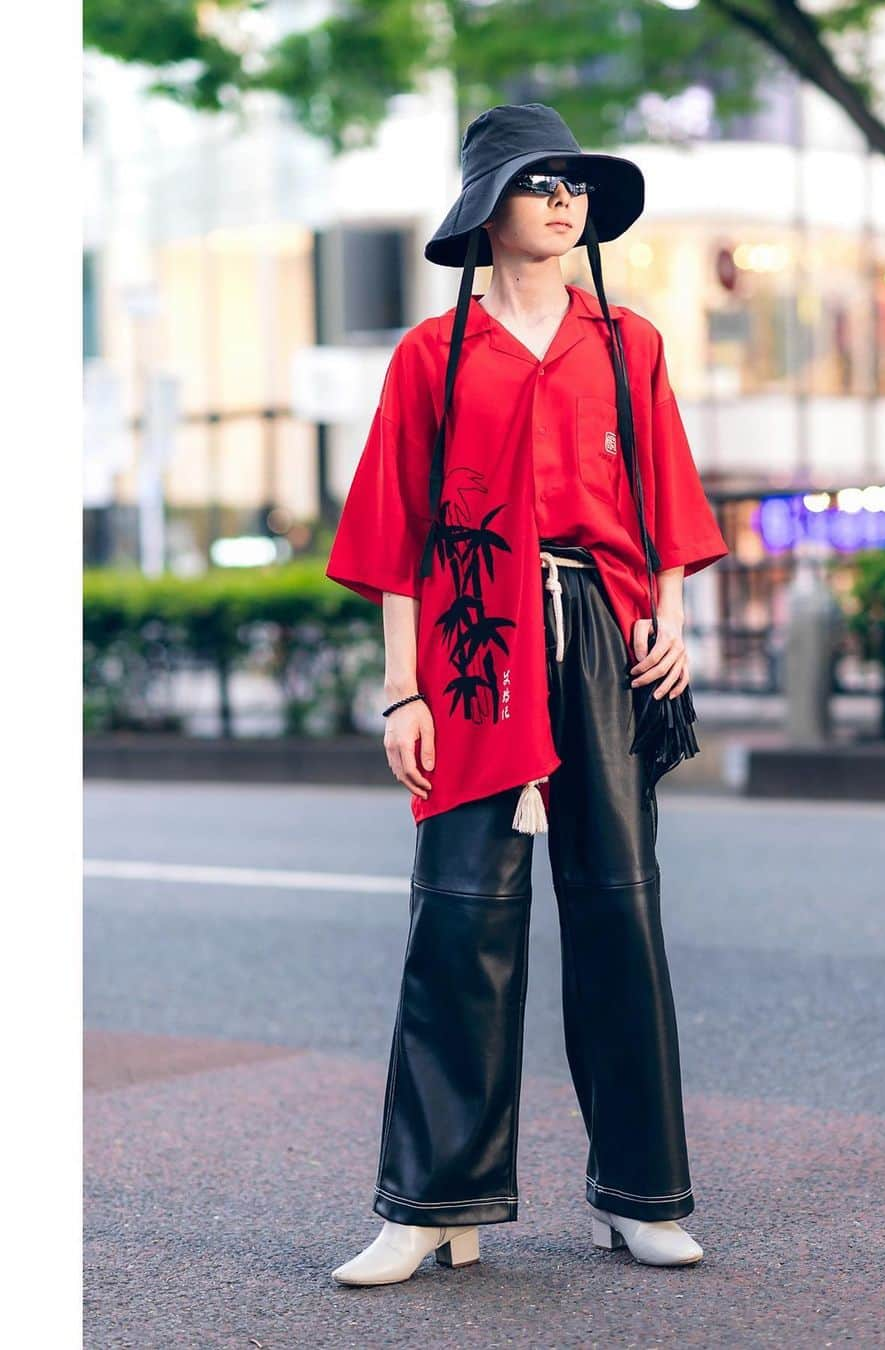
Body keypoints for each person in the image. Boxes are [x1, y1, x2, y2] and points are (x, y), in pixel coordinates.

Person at [326, 103, 730, 1287]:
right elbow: (394, 533)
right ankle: (431, 1202)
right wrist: (405, 695)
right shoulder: (430, 355)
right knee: (459, 919)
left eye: (576, 184)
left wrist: (669, 615)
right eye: (538, 182)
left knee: (619, 909)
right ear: (485, 210)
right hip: (471, 648)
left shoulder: (631, 341)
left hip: (604, 636)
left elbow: (663, 484)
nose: (565, 199)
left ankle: (638, 1192)